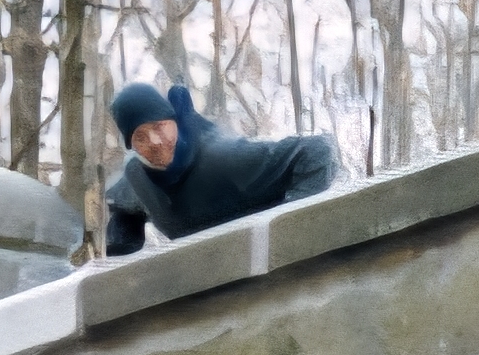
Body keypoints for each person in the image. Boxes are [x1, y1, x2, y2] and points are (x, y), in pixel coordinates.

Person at [99, 82, 338, 255]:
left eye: (159, 126)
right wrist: (120, 238)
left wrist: (289, 228)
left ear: (174, 122)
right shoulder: (138, 177)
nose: (154, 142)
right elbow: (123, 205)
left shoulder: (224, 159)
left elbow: (317, 150)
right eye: (140, 137)